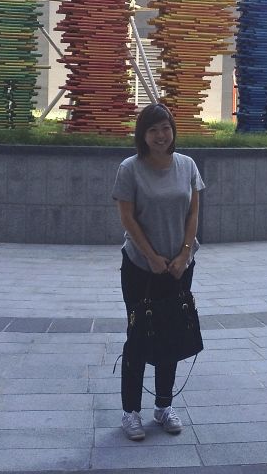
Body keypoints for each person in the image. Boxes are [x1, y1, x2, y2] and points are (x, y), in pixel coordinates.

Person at [112, 102, 204, 441]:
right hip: (140, 266)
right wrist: (151, 257)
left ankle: (164, 406)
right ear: (143, 134)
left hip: (180, 266)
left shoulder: (187, 165)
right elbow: (127, 218)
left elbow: (193, 213)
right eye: (153, 130)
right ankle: (130, 412)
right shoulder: (130, 168)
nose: (161, 135)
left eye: (165, 128)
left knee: (172, 334)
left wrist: (184, 254)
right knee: (138, 337)